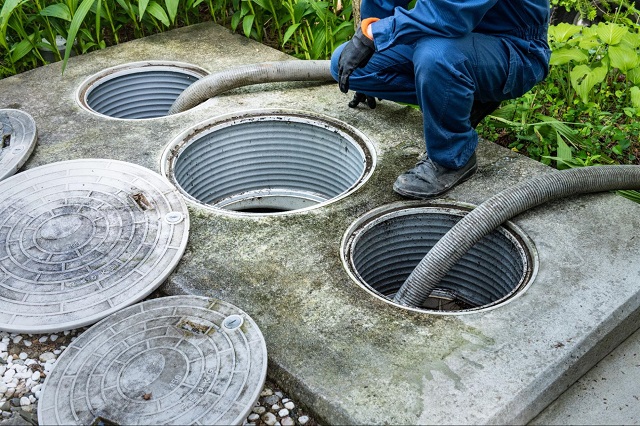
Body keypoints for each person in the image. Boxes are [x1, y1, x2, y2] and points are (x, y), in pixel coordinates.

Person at [331, 0, 551, 199]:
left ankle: (453, 158)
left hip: (514, 49)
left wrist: (376, 35)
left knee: (436, 55)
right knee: (347, 65)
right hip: (446, 35)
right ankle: (462, 94)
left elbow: (451, 13)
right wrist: (370, 43)